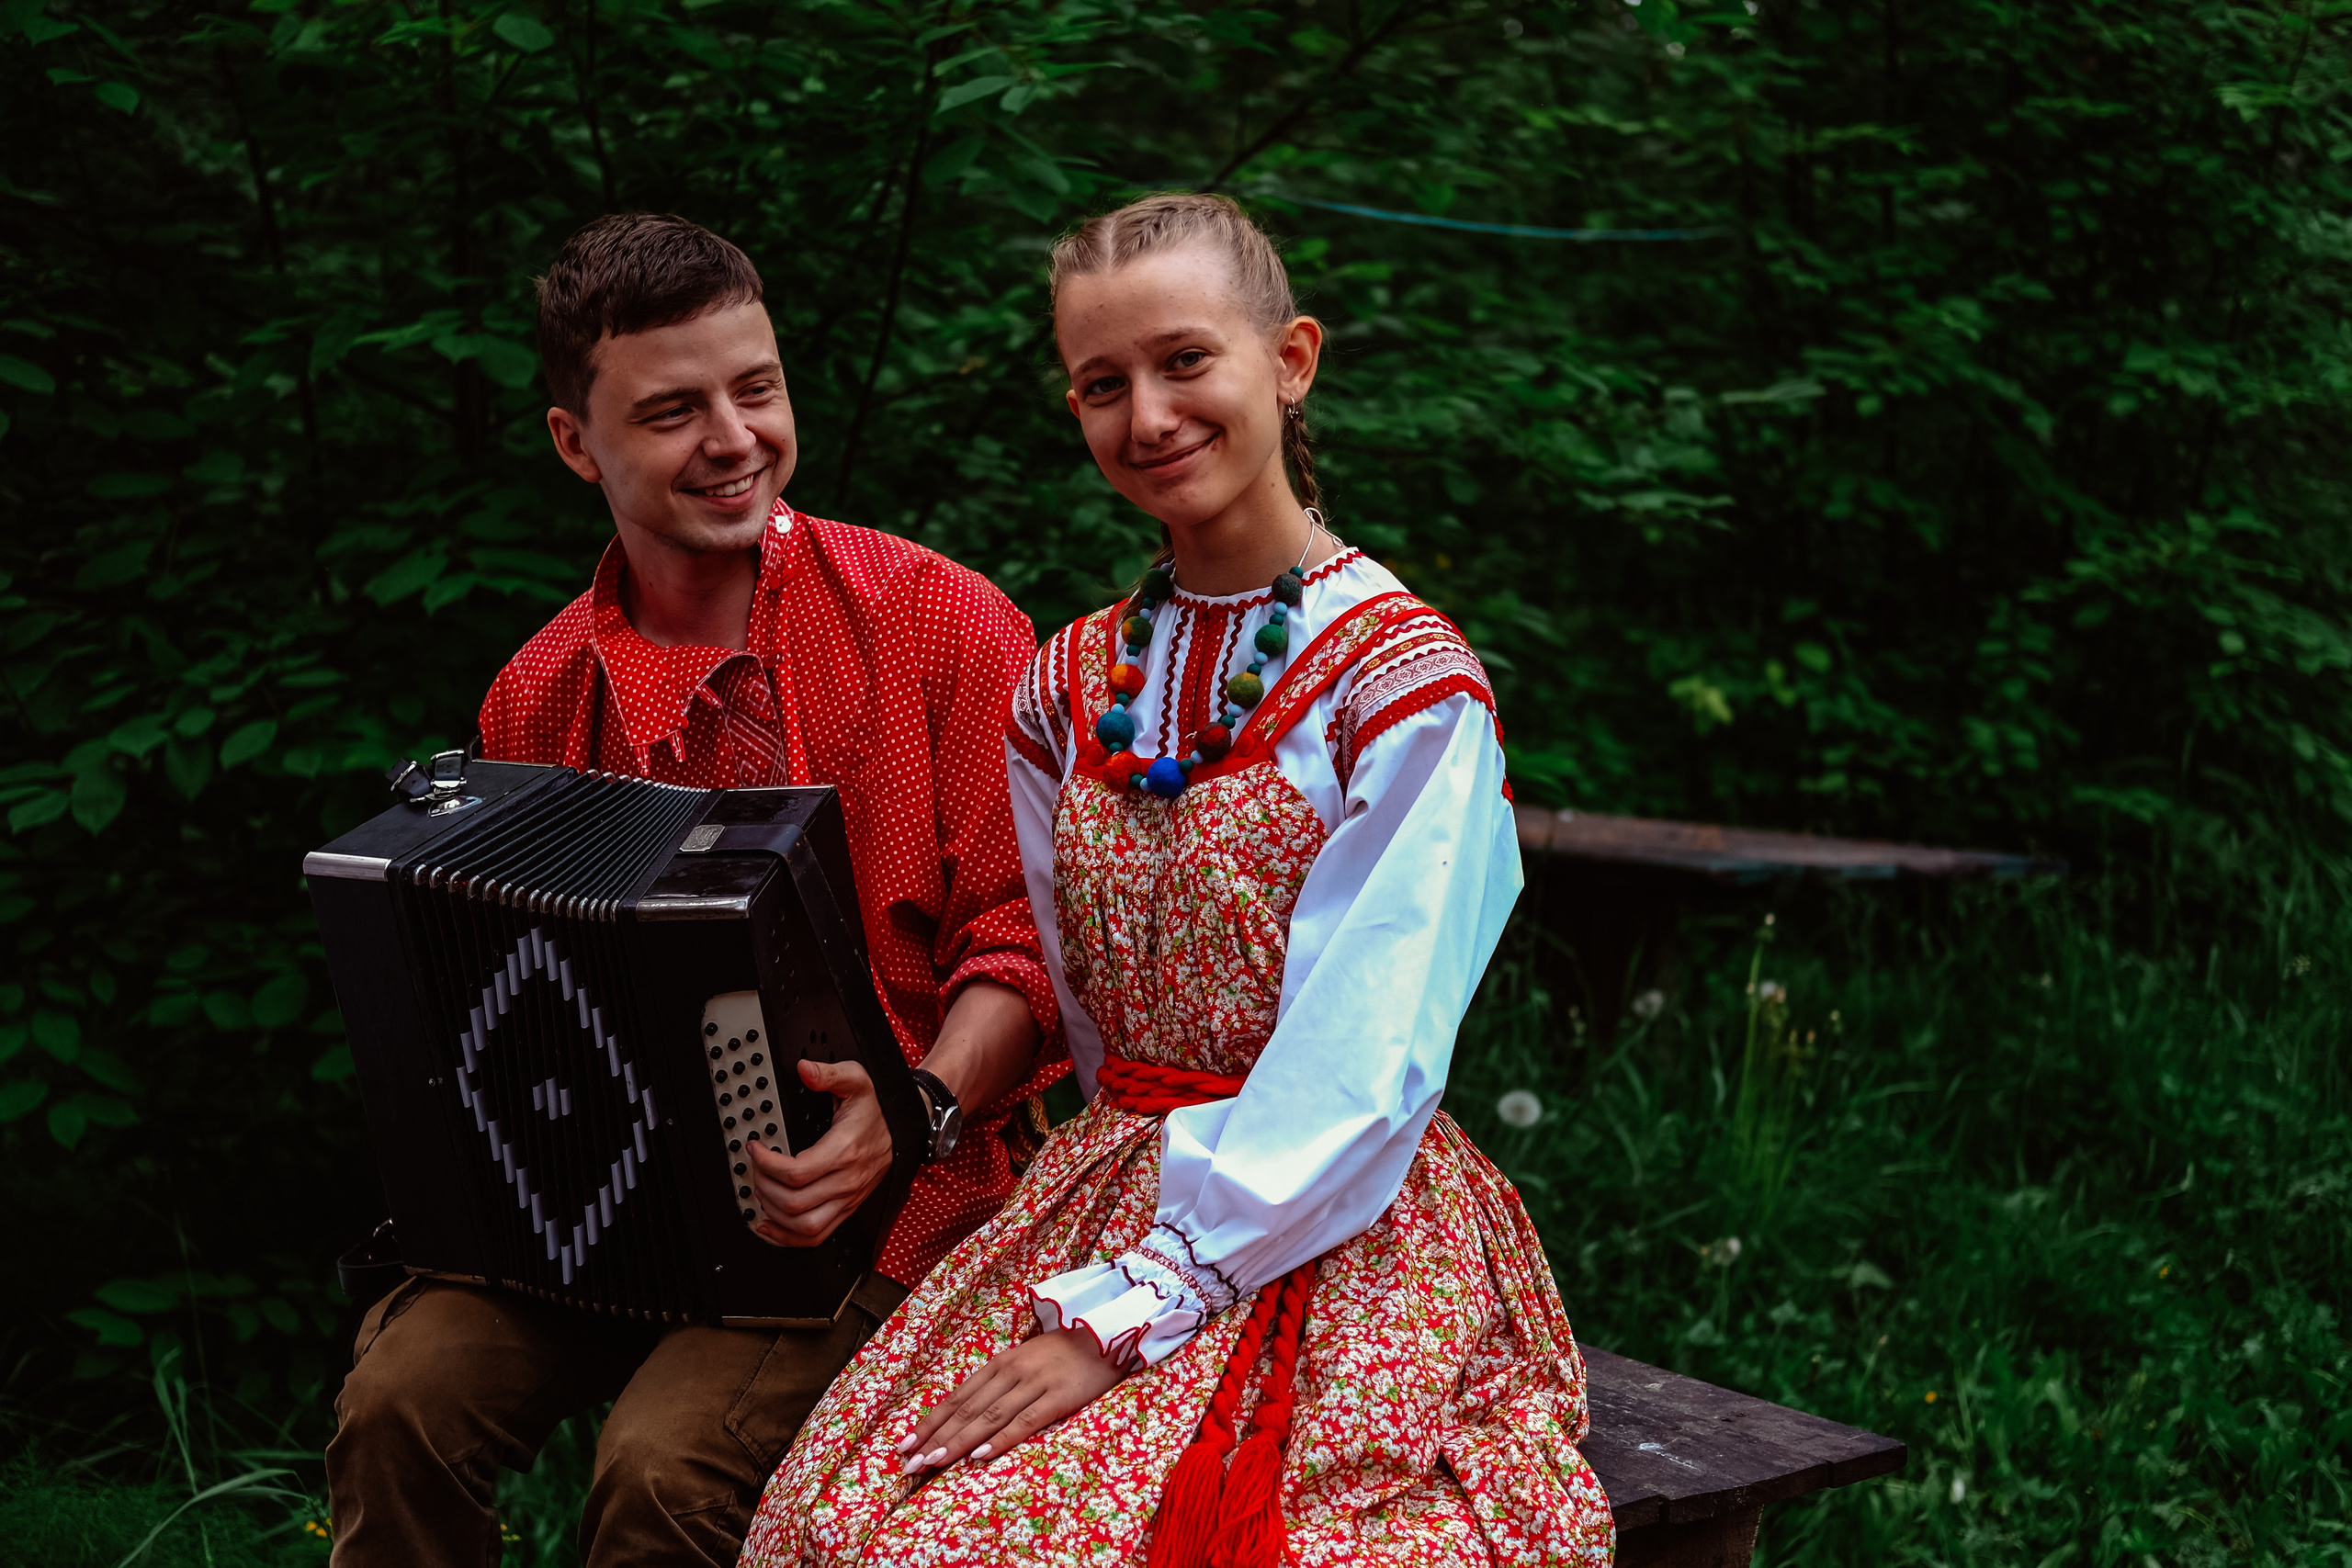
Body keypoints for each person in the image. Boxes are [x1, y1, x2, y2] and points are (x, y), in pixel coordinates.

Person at [740, 193, 1614, 1567]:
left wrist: (1136, 1304)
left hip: (1336, 1210)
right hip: (1109, 1177)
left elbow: (1370, 1052)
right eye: (1103, 384)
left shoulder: (1403, 685)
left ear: (1293, 359)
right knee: (839, 1520)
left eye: (1184, 360)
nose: (1146, 415)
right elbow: (1083, 1007)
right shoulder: (1069, 685)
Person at [324, 212, 1066, 1568]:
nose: (733, 437)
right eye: (672, 410)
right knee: (398, 1403)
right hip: (595, 1209)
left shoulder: (949, 623)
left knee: (666, 1470)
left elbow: (1026, 942)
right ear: (575, 445)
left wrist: (918, 1108)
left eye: (758, 388)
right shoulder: (536, 692)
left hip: (885, 1201)